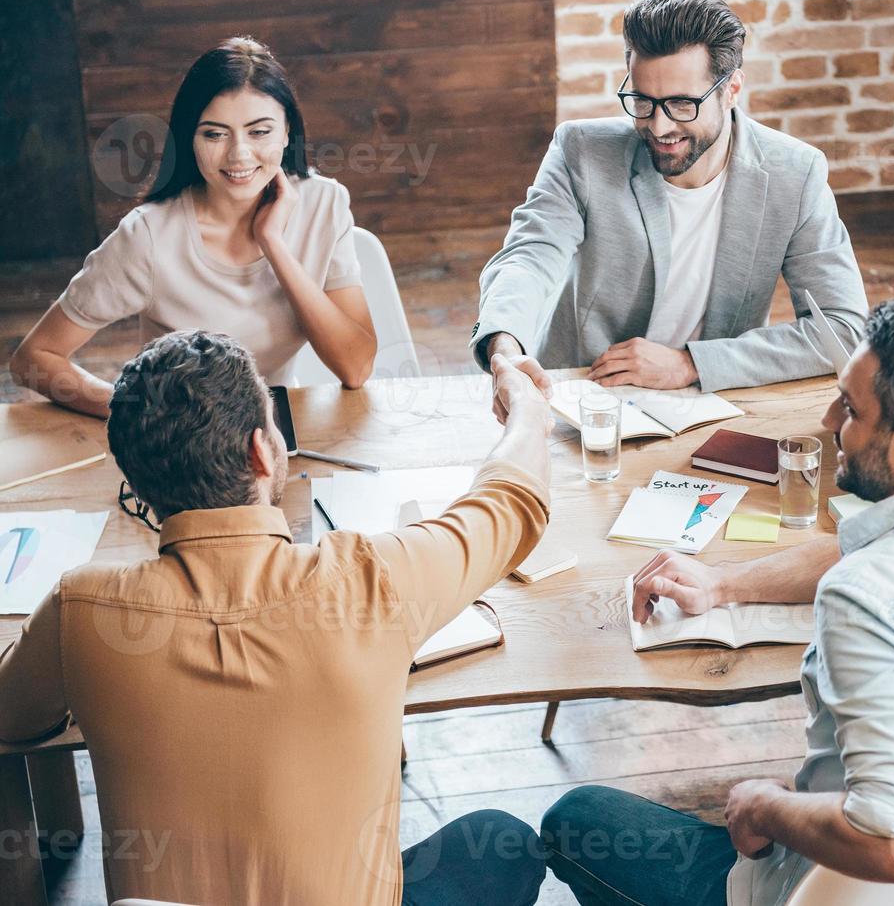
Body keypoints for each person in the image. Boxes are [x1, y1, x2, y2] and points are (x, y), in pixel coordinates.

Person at [540, 297, 894, 905]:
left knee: (576, 818)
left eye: (850, 408)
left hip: (817, 892)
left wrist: (763, 806)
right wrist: (723, 584)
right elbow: (878, 547)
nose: (827, 420)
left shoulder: (866, 598)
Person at [0, 330, 552, 905]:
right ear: (262, 452)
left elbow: (12, 721)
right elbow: (511, 502)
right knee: (501, 841)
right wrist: (527, 407)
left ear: (138, 483)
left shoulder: (80, 612)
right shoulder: (371, 580)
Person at [471, 0, 868, 393]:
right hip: (582, 394)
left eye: (681, 104)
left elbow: (843, 328)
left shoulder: (796, 175)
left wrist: (690, 364)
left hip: (713, 396)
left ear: (731, 89)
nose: (659, 127)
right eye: (643, 101)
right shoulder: (582, 151)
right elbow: (527, 258)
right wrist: (506, 348)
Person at [10, 37, 377, 418]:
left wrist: (273, 244)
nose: (239, 155)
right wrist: (140, 412)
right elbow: (33, 360)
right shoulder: (148, 236)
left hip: (277, 431)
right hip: (180, 447)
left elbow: (355, 367)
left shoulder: (323, 204)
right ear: (189, 139)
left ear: (287, 132)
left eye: (259, 132)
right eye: (215, 134)